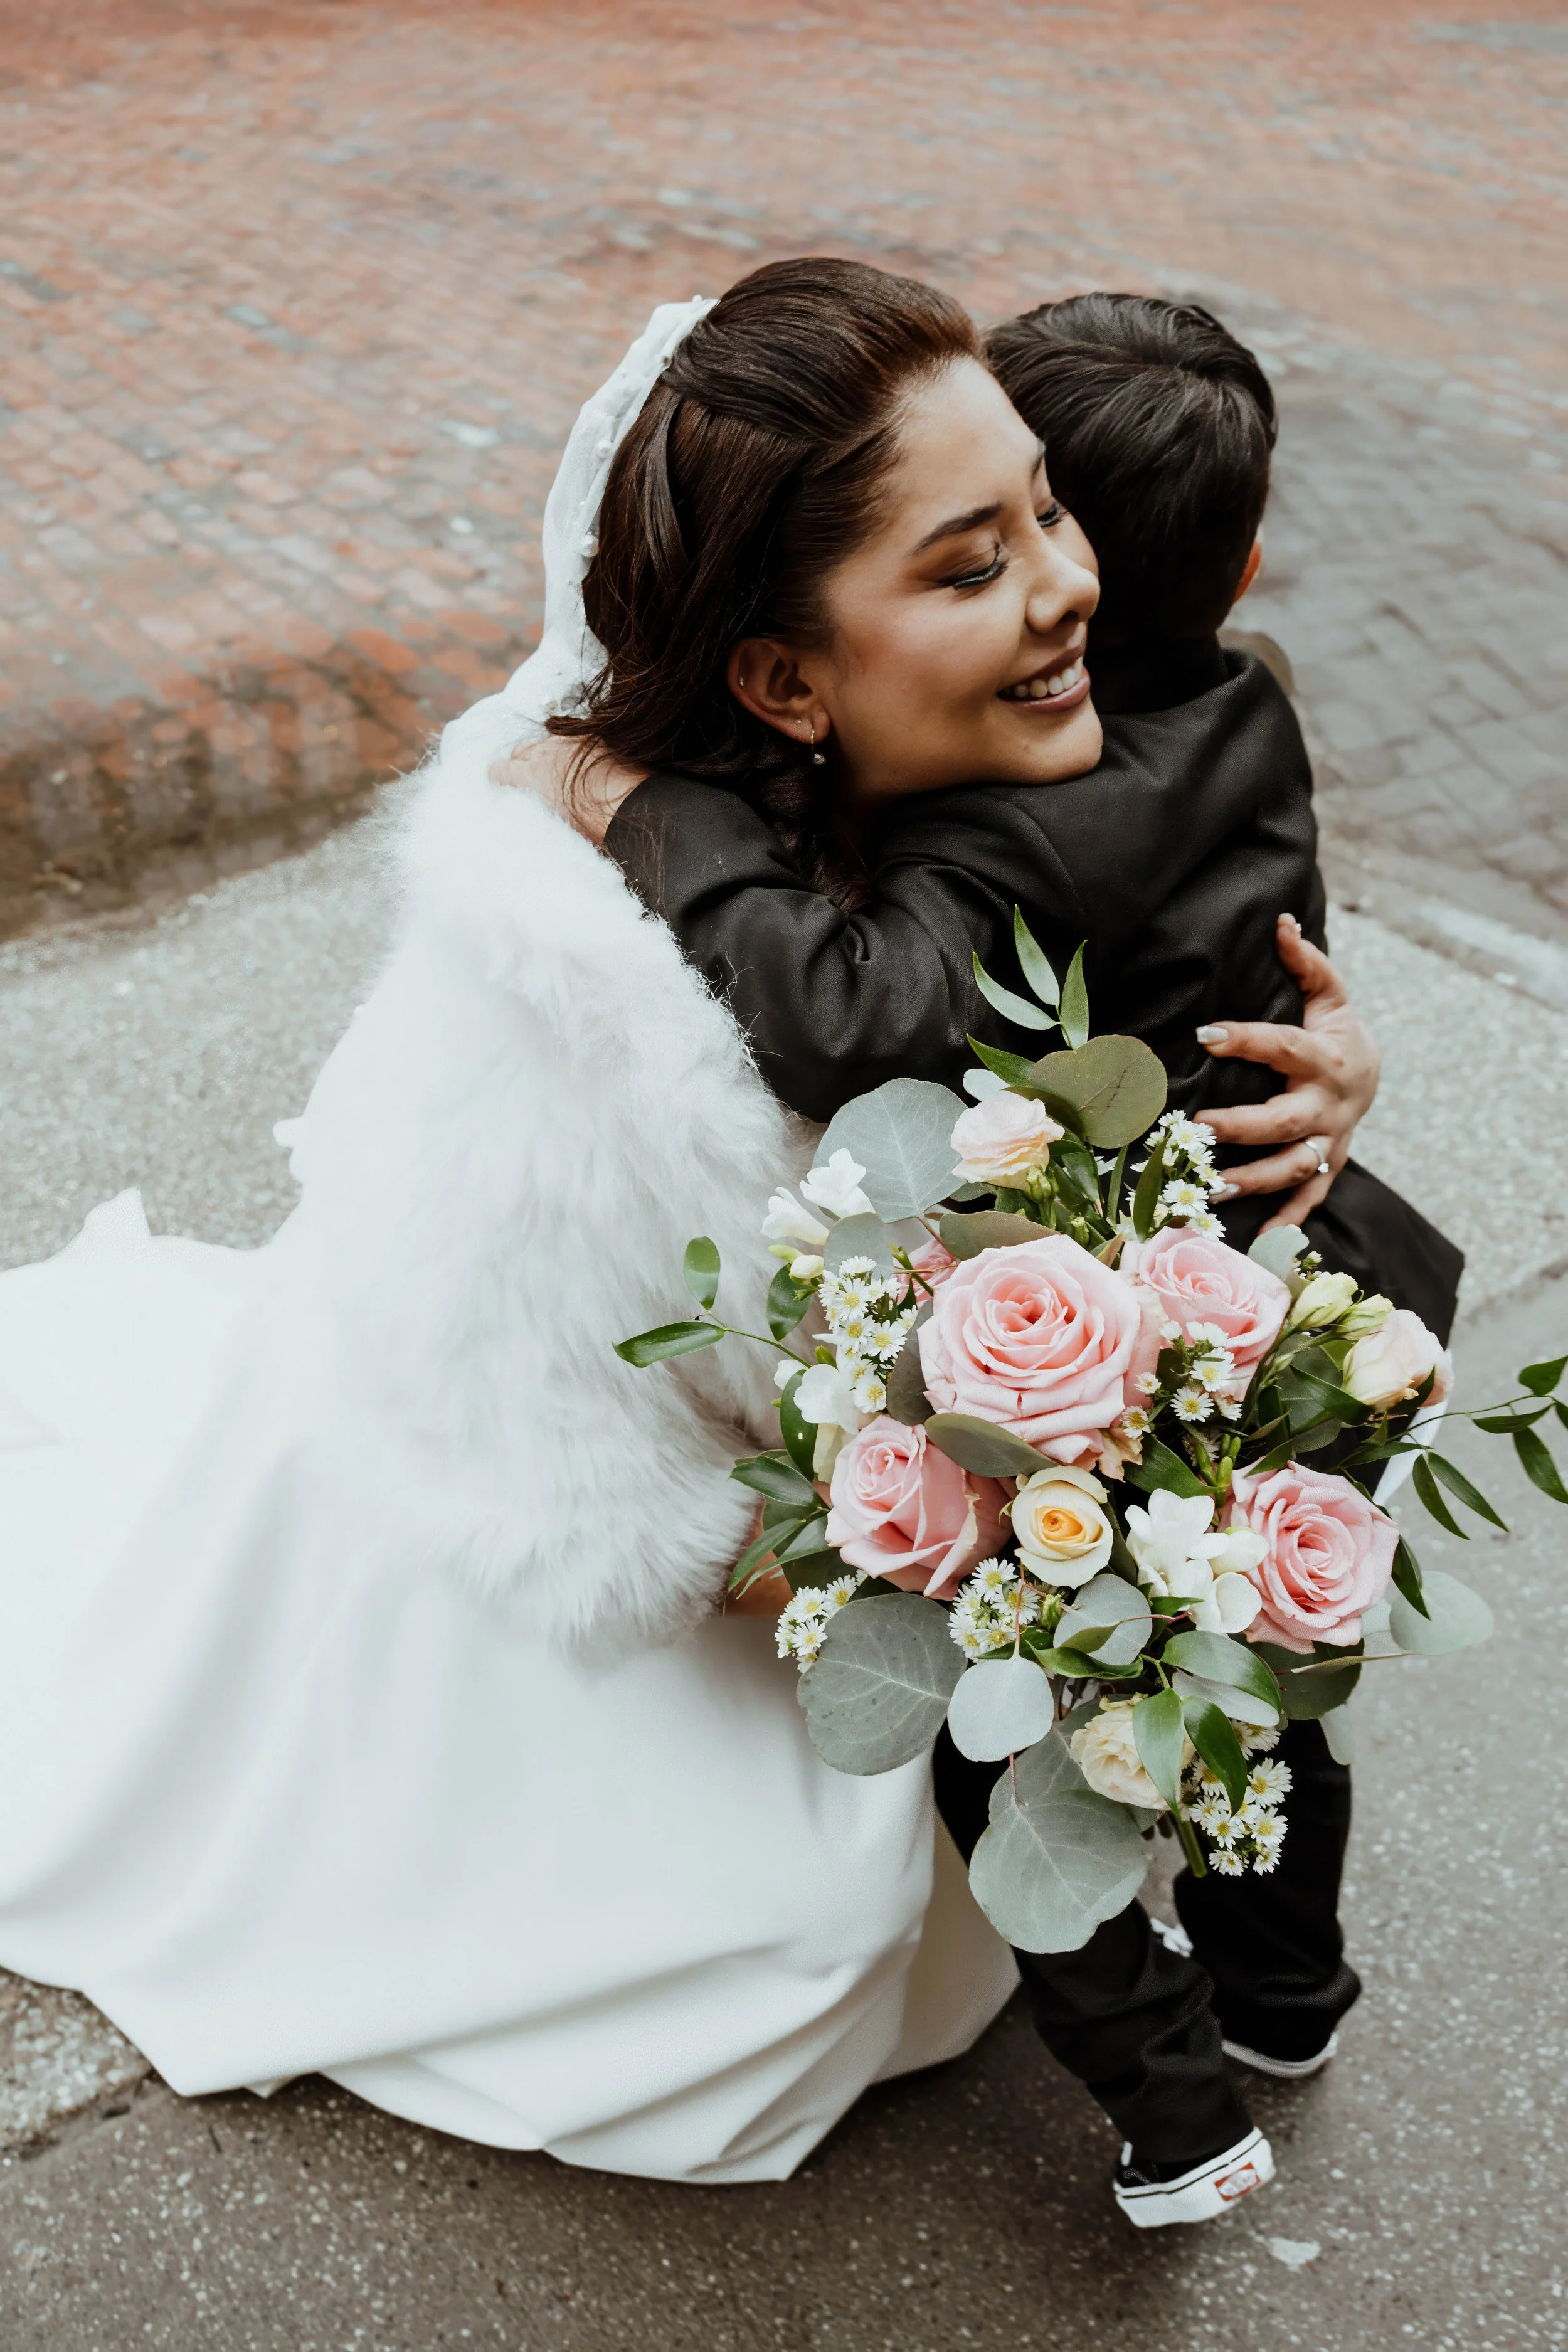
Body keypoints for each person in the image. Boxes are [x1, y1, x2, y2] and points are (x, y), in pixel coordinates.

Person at [501, 257, 1392, 2223]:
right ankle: (1285, 1991)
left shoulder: (1006, 835)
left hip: (1172, 1337)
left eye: (1053, 519)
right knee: (1272, 1674)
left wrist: (644, 805)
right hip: (1324, 1298)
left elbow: (834, 1008)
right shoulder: (1239, 707)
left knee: (1008, 1750)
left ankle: (1172, 2107)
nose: (1058, 584)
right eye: (976, 554)